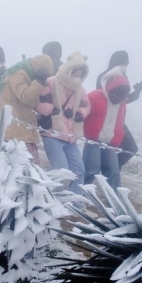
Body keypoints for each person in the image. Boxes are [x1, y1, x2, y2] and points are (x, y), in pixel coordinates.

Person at [36, 52, 91, 194]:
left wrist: (80, 113)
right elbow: (39, 101)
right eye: (75, 73)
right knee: (61, 170)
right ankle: (54, 200)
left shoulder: (80, 89)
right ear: (69, 70)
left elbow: (86, 105)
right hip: (52, 133)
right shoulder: (52, 82)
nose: (77, 77)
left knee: (79, 170)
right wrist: (52, 110)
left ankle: (76, 205)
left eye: (80, 74)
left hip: (71, 136)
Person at [0, 54, 53, 165]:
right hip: (14, 129)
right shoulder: (18, 75)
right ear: (39, 68)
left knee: (30, 168)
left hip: (22, 127)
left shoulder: (27, 75)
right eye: (45, 74)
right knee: (29, 168)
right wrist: (39, 80)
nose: (46, 77)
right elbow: (26, 97)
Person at [95, 50, 142, 169]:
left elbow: (122, 100)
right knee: (130, 147)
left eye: (126, 64)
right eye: (124, 63)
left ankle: (110, 169)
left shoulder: (121, 77)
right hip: (106, 119)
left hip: (117, 119)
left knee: (127, 148)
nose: (125, 67)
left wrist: (136, 93)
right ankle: (110, 170)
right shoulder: (105, 77)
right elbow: (111, 99)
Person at [83, 67, 131, 189]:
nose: (119, 97)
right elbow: (82, 110)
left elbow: (120, 122)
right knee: (91, 169)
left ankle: (115, 202)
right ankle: (80, 194)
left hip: (111, 143)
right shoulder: (94, 96)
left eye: (123, 95)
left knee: (114, 172)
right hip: (93, 140)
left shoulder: (122, 104)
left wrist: (118, 138)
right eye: (117, 94)